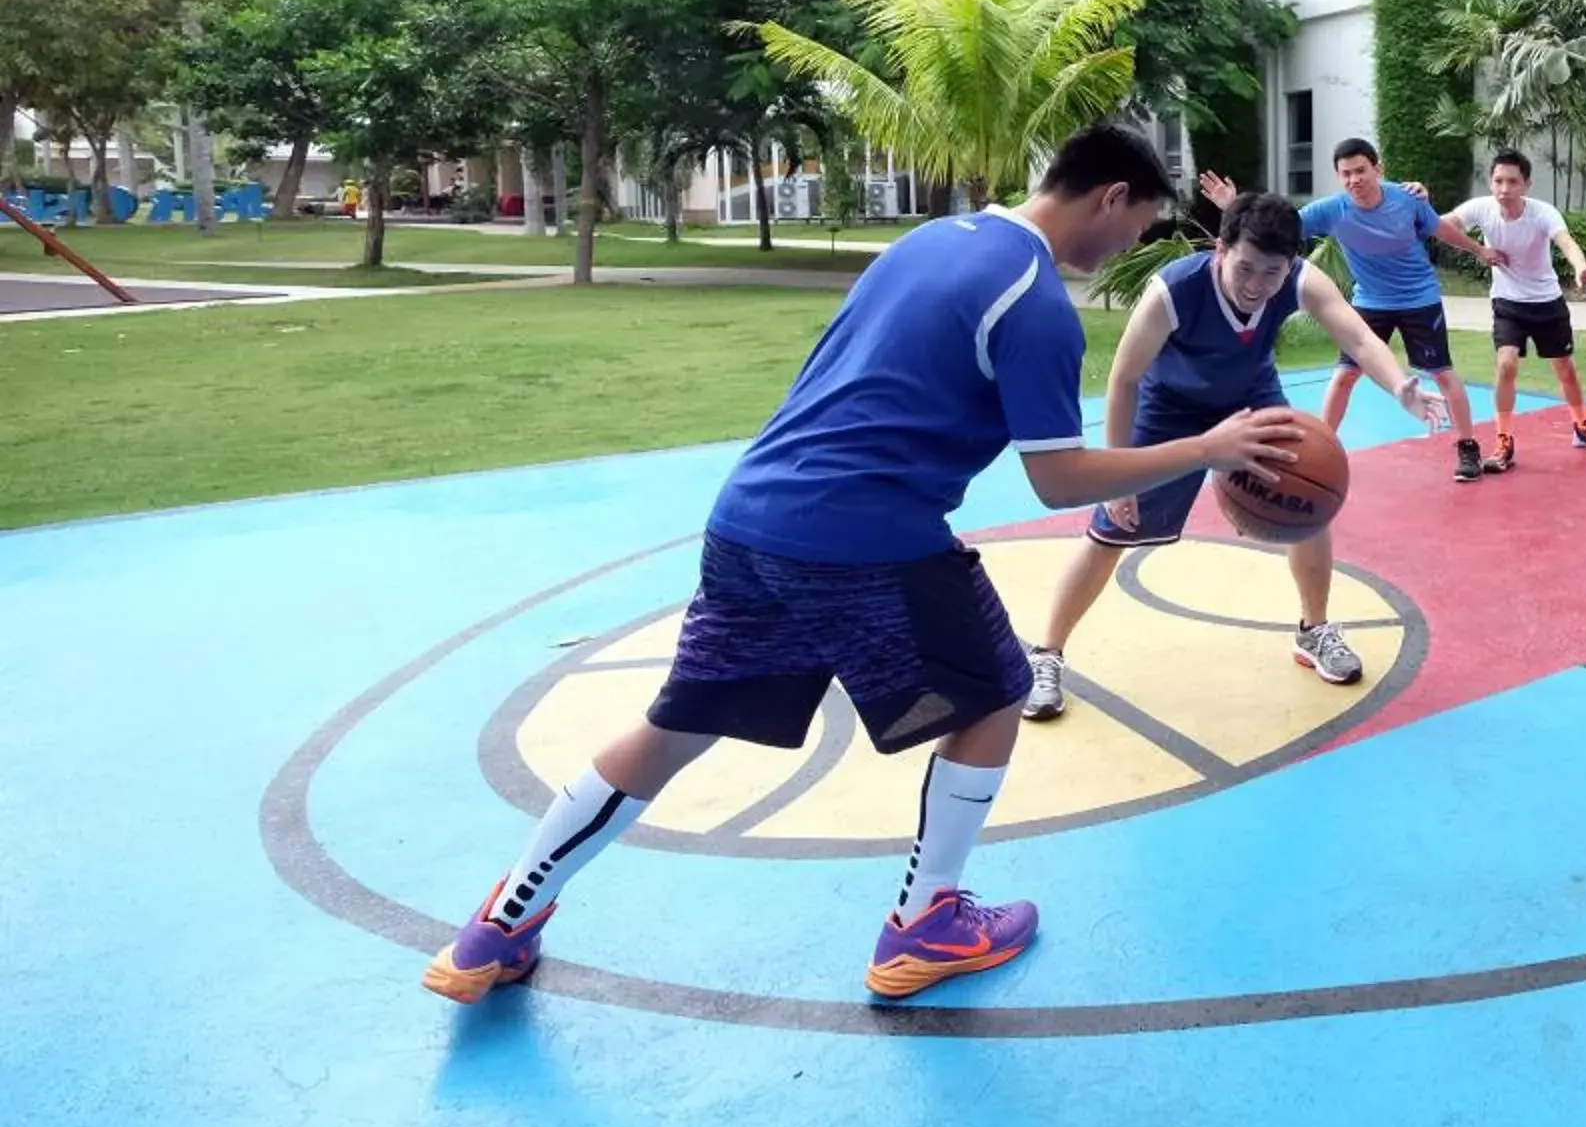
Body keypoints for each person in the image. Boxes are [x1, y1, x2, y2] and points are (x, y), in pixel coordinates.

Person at [420, 127, 1307, 1007]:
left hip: (751, 518)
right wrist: (1209, 445)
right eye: (1141, 223)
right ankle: (927, 924)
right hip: (863, 537)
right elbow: (1057, 479)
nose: (1131, 246)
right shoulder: (1035, 300)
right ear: (1110, 196)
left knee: (680, 724)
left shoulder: (932, 240)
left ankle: (496, 926)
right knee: (998, 693)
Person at [1024, 188, 1451, 719]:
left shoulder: (1297, 280)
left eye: (1271, 273)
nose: (1256, 285)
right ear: (1221, 249)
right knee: (1112, 530)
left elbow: (1360, 339)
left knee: (1309, 497)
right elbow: (1124, 378)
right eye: (1245, 268)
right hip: (1170, 410)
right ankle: (1047, 654)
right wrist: (1121, 478)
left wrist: (1402, 386)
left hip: (1252, 399)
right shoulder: (1173, 291)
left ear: (1290, 264)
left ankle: (1313, 629)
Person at [1269, 139, 1502, 481]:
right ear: (1338, 176)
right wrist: (1235, 225)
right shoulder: (1331, 210)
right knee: (1345, 375)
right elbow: (1280, 227)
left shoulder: (1407, 199)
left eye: (1361, 171)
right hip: (1369, 302)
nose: (1354, 180)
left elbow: (1441, 229)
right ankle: (1322, 448)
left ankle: (1467, 447)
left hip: (1419, 299)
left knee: (1441, 373)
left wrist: (1479, 250)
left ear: (1378, 169)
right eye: (1346, 174)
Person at [1448, 147, 1586, 468]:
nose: (1504, 189)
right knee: (1506, 364)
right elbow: (1442, 225)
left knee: (1564, 368)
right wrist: (1478, 249)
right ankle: (1503, 441)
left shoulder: (1542, 213)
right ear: (1490, 181)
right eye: (1498, 181)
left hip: (1547, 301)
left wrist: (1580, 268)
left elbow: (1566, 242)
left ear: (1526, 184)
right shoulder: (1481, 208)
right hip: (1508, 302)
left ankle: (1581, 426)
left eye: (1512, 181)